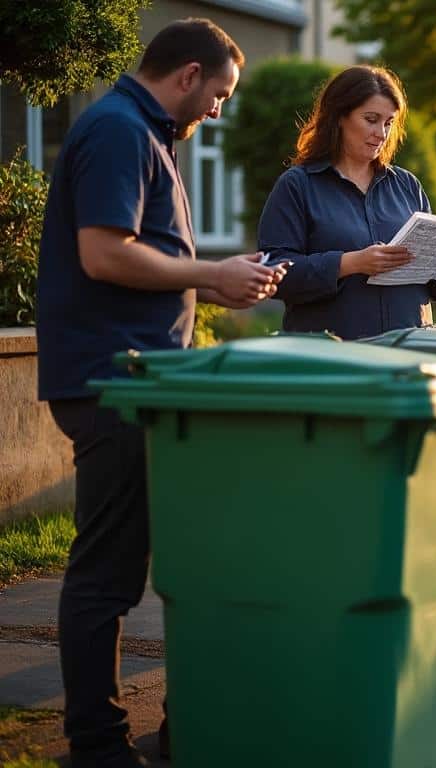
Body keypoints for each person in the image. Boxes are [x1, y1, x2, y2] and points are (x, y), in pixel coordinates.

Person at [35, 18, 284, 768]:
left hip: (139, 378)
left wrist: (216, 280)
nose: (220, 110)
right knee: (106, 571)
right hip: (111, 382)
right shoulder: (118, 130)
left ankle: (163, 725)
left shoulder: (142, 133)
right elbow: (104, 254)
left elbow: (143, 260)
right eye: (220, 93)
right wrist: (211, 275)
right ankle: (97, 744)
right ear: (187, 76)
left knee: (138, 559)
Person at [257, 65, 436, 340]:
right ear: (339, 116)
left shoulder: (406, 185)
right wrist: (350, 263)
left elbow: (435, 290)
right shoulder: (298, 185)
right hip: (333, 359)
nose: (382, 133)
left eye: (388, 122)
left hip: (408, 353)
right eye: (371, 119)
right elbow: (272, 272)